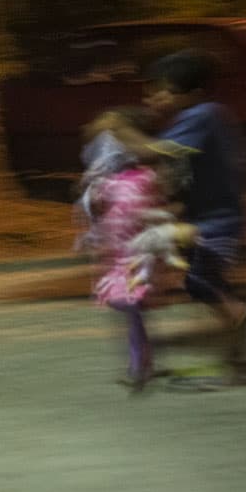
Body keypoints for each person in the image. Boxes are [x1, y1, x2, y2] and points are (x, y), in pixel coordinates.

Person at [114, 50, 246, 384]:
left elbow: (154, 152)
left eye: (165, 90)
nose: (156, 97)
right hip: (208, 215)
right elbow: (181, 177)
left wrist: (119, 129)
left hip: (221, 218)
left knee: (200, 280)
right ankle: (240, 335)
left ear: (193, 93)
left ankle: (244, 319)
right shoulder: (197, 118)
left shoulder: (203, 115)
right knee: (201, 282)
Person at [76, 107, 196, 391]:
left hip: (141, 255)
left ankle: (138, 366)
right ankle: (144, 359)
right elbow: (94, 210)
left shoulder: (147, 177)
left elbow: (165, 201)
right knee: (127, 307)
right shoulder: (107, 182)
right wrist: (91, 215)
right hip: (117, 256)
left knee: (132, 306)